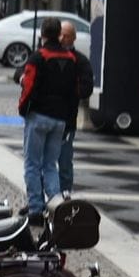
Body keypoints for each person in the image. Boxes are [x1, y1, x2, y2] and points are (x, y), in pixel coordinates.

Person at [18, 17, 77, 218]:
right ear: (59, 34)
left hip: (39, 114)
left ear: (42, 34)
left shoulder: (38, 57)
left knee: (32, 164)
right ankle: (55, 203)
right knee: (51, 165)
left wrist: (23, 108)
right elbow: (73, 92)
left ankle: (35, 207)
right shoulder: (71, 58)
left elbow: (28, 85)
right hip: (60, 117)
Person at [57, 19, 94, 193]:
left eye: (66, 35)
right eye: (60, 34)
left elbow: (87, 88)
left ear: (73, 38)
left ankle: (65, 192)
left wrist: (71, 92)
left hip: (67, 118)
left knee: (64, 159)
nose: (62, 38)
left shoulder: (80, 61)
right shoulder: (48, 54)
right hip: (49, 115)